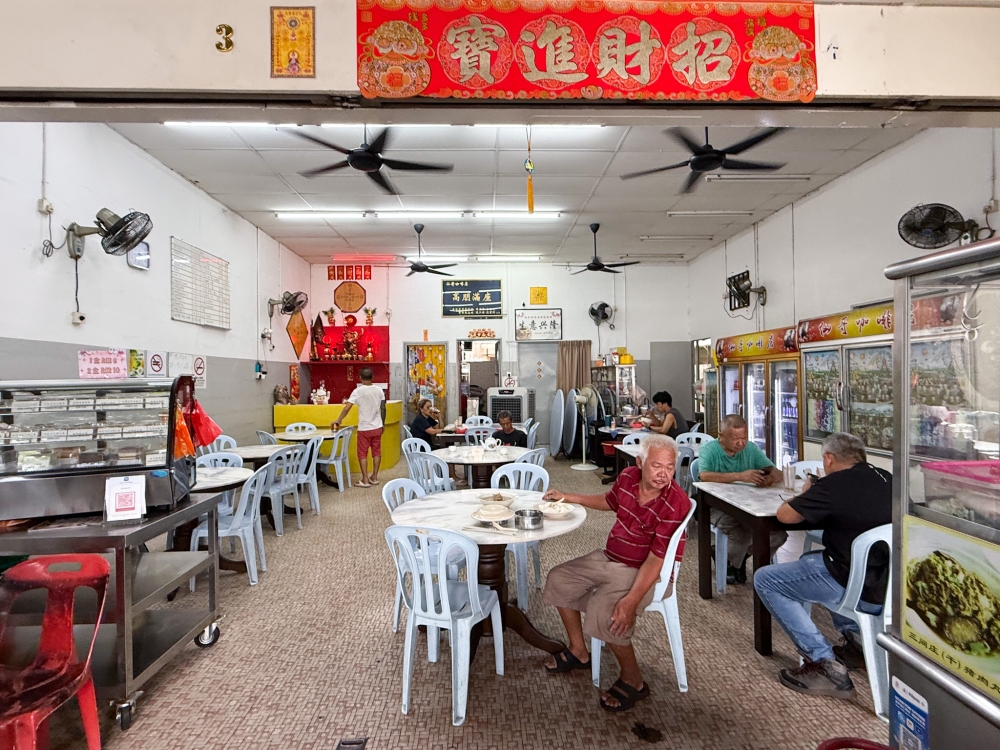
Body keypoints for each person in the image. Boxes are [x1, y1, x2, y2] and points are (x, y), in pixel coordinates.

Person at [540, 434, 691, 713]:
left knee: (607, 611)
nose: (664, 474)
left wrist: (631, 601)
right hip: (611, 558)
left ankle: (634, 681)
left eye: (670, 467)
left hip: (646, 571)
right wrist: (569, 496)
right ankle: (578, 651)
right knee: (559, 579)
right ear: (640, 462)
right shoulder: (627, 478)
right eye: (657, 466)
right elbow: (610, 501)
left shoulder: (675, 502)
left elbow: (656, 560)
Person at [754, 432, 891, 699]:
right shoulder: (888, 478)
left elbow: (785, 515)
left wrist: (808, 493)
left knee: (766, 579)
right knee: (810, 562)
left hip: (848, 582)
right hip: (887, 587)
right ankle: (856, 641)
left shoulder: (833, 485)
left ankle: (824, 664)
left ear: (828, 458)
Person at [698, 414, 787, 584]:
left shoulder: (751, 449)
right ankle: (733, 561)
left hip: (749, 504)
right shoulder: (709, 449)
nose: (740, 443)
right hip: (716, 506)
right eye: (735, 438)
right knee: (741, 533)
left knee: (777, 534)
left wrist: (770, 478)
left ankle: (735, 559)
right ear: (721, 436)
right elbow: (704, 475)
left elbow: (776, 471)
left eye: (744, 437)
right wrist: (740, 476)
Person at [331, 367, 385, 488]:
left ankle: (365, 480)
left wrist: (339, 420)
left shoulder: (357, 391)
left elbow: (347, 408)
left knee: (362, 454)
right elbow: (383, 408)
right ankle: (374, 477)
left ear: (360, 377)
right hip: (377, 426)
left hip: (364, 428)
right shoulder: (379, 390)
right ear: (372, 377)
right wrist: (383, 424)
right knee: (377, 452)